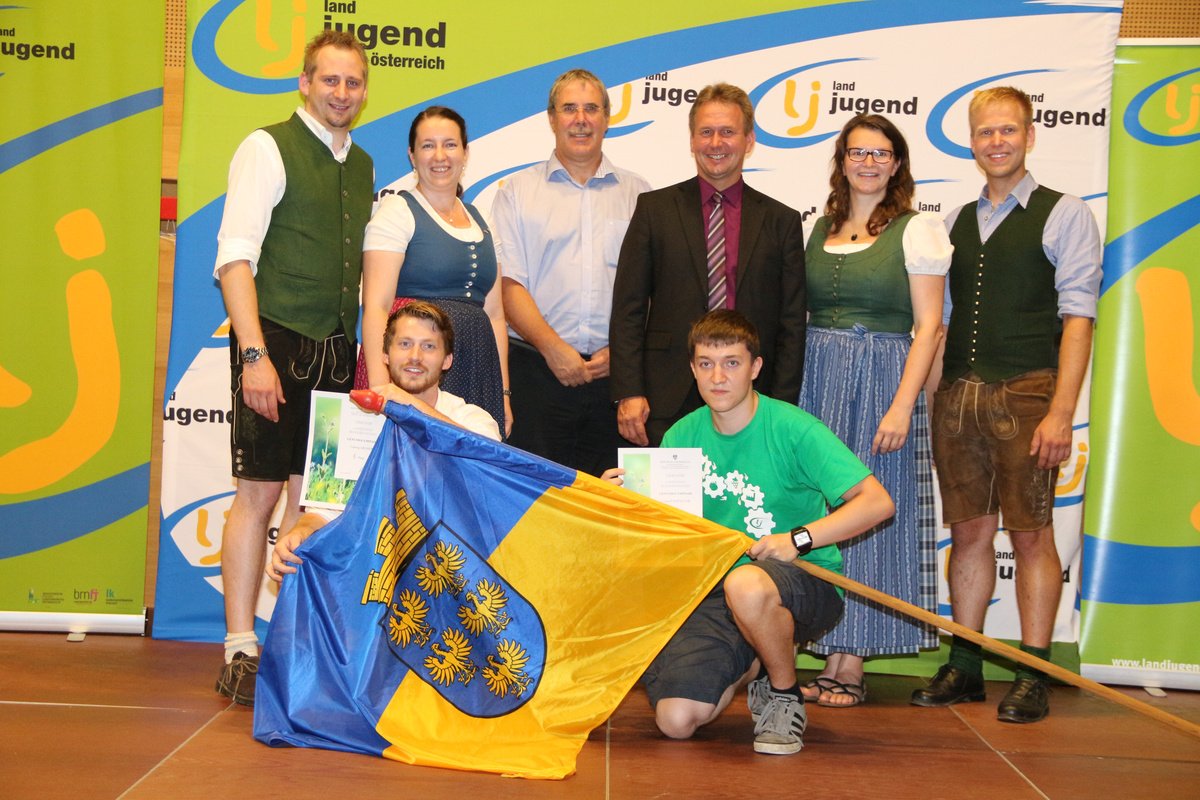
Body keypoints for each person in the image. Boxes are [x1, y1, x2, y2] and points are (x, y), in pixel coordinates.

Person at [608, 310, 894, 755]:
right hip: (713, 591)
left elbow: (877, 502)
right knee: (676, 721)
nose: (718, 377)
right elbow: (663, 534)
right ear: (692, 369)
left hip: (803, 581)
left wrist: (797, 539)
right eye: (706, 364)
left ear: (755, 368)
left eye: (732, 363)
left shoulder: (794, 429)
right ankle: (755, 656)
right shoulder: (682, 435)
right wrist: (621, 502)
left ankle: (784, 694)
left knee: (746, 583)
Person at [910, 86, 1101, 724]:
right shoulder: (954, 222)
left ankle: (1032, 672)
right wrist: (931, 401)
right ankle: (965, 666)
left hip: (1028, 394)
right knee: (968, 533)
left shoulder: (1064, 213)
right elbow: (941, 323)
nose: (997, 142)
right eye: (986, 132)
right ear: (971, 142)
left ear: (1029, 136)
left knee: (1032, 533)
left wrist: (1061, 411)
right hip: (958, 396)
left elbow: (1078, 320)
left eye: (1008, 130)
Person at [212, 30, 372, 706]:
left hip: (335, 352)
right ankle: (238, 648)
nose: (341, 92)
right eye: (329, 80)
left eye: (353, 82)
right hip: (273, 345)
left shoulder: (362, 163)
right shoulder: (266, 146)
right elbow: (234, 258)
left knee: (316, 502)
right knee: (257, 495)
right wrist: (253, 356)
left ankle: (297, 646)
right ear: (305, 83)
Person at [796, 115, 949, 707]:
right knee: (823, 507)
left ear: (897, 164)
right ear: (841, 160)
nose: (868, 163)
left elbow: (929, 327)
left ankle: (852, 660)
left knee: (871, 510)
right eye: (857, 152)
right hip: (820, 378)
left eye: (880, 153)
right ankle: (828, 642)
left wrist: (903, 406)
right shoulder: (820, 228)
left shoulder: (917, 230)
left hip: (882, 378)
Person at [609, 83, 807, 446]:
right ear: (692, 140)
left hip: (753, 397)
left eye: (728, 132)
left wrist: (780, 406)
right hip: (663, 394)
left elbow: (791, 325)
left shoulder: (782, 221)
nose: (716, 143)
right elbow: (627, 309)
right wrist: (629, 390)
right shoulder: (654, 210)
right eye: (706, 132)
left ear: (749, 140)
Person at [268, 301, 501, 582]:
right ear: (385, 355)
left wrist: (409, 407)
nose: (415, 356)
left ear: (447, 360)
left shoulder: (472, 419)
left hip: (448, 572)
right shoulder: (349, 417)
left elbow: (488, 461)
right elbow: (324, 511)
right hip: (371, 571)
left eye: (428, 346)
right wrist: (300, 533)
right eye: (405, 344)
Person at [492, 68, 650, 475]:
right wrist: (553, 349)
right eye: (569, 109)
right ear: (551, 118)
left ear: (607, 118)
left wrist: (623, 355)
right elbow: (510, 286)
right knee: (536, 496)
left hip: (615, 381)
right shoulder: (516, 193)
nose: (581, 119)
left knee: (611, 501)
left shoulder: (640, 195)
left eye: (591, 109)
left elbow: (652, 290)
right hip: (536, 374)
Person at [359, 106, 512, 436]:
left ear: (465, 153)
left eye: (450, 144)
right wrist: (383, 390)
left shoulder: (483, 219)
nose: (440, 156)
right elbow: (376, 306)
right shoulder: (396, 212)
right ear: (412, 155)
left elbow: (496, 314)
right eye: (428, 145)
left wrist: (503, 394)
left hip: (476, 367)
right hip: (414, 369)